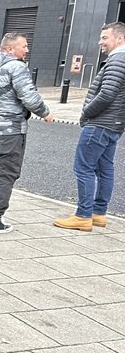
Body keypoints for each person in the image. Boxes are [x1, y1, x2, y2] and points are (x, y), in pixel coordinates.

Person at [0, 33, 54, 233]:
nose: (27, 50)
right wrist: (45, 112)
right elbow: (28, 96)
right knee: (5, 174)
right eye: (24, 46)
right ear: (10, 49)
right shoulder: (17, 67)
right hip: (11, 131)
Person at [54, 22, 125, 231]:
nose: (100, 42)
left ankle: (83, 215)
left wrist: (86, 113)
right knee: (105, 169)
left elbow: (106, 94)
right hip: (113, 125)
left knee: (83, 168)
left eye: (104, 37)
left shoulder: (117, 60)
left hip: (99, 124)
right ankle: (98, 213)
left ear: (119, 39)